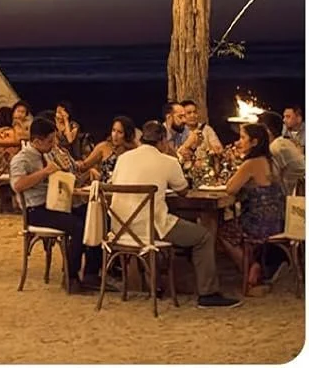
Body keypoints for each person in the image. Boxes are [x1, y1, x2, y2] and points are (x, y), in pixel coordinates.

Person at [109, 120, 239, 308]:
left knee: (177, 225)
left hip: (121, 228)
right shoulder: (167, 162)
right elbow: (183, 190)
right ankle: (208, 293)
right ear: (162, 140)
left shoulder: (124, 159)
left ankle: (153, 283)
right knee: (203, 236)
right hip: (151, 227)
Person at [8, 116, 99, 293]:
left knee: (94, 215)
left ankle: (92, 273)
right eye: (50, 141)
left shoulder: (50, 153)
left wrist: (73, 167)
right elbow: (18, 185)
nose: (53, 144)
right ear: (36, 141)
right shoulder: (22, 159)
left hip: (56, 203)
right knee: (77, 226)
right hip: (37, 209)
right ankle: (71, 278)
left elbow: (72, 171)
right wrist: (45, 172)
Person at [218, 122, 287, 292]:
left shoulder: (251, 163)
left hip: (259, 223)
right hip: (279, 220)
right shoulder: (271, 161)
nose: (238, 142)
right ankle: (255, 267)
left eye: (242, 138)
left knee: (223, 233)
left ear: (254, 142)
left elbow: (230, 188)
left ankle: (250, 269)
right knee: (233, 225)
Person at [76, 116, 138, 183]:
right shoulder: (104, 147)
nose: (115, 135)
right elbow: (84, 166)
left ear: (127, 134)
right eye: (113, 130)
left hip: (125, 188)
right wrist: (75, 164)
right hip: (105, 189)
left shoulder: (134, 151)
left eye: (120, 132)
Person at [259, 111, 305, 196]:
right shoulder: (282, 143)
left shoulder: (277, 147)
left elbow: (268, 179)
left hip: (293, 201)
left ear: (267, 131)